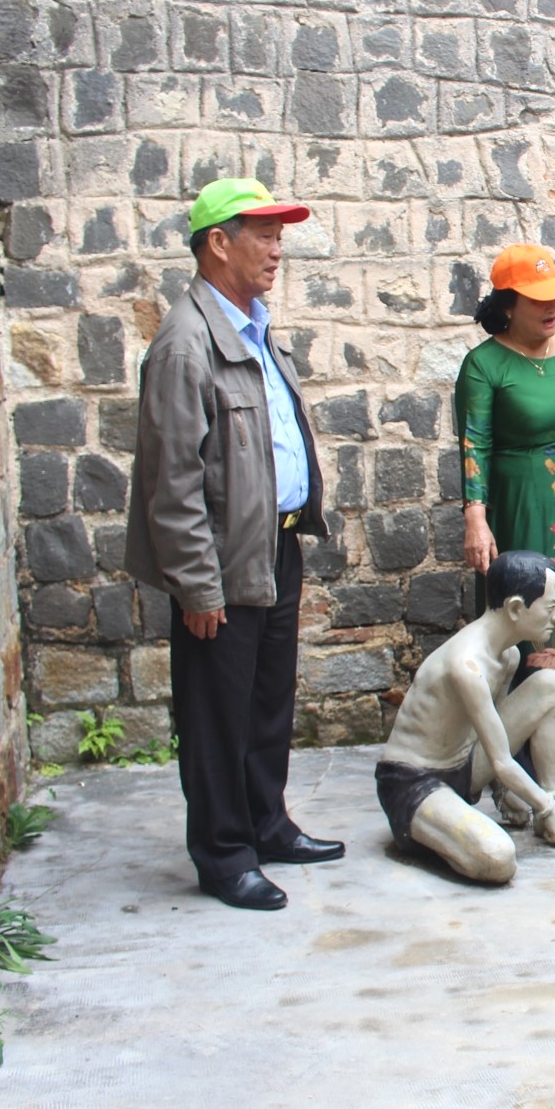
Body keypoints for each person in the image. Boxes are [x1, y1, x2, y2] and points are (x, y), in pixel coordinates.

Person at [124, 178, 344, 911]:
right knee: (216, 711)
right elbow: (172, 483)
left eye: (280, 234)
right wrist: (197, 586)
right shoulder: (186, 343)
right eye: (265, 233)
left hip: (274, 545)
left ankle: (265, 821)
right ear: (219, 243)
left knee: (265, 701)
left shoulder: (251, 325)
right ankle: (223, 852)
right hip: (220, 560)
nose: (278, 248)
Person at [456, 245, 555, 793]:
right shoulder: (484, 364)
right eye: (538, 300)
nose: (553, 309)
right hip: (518, 499)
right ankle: (518, 765)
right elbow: (473, 443)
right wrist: (475, 518)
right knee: (530, 620)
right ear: (507, 304)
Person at [376, 550, 555, 883]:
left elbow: (493, 735)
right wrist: (542, 806)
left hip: (463, 768)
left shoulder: (508, 655)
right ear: (516, 608)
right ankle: (430, 827)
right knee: (497, 859)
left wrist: (505, 795)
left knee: (550, 685)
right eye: (549, 608)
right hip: (414, 782)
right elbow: (501, 761)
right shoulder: (467, 665)